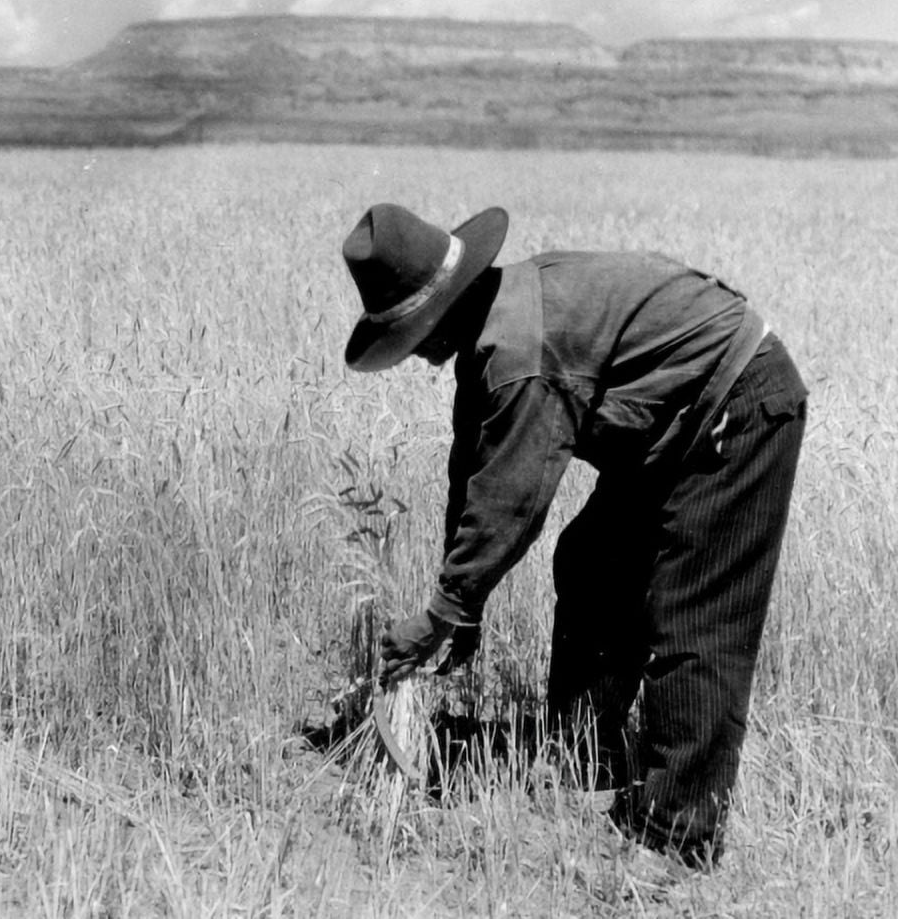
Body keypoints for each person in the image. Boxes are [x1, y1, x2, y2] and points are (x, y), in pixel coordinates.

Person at [340, 202, 807, 867]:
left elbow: (513, 503)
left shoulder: (518, 349)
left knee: (695, 618)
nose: (415, 354)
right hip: (671, 426)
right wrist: (463, 611)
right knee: (591, 562)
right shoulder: (494, 329)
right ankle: (588, 756)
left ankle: (676, 838)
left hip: (739, 404)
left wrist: (444, 611)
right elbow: (473, 473)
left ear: (442, 308)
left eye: (412, 333)